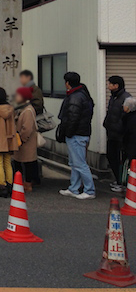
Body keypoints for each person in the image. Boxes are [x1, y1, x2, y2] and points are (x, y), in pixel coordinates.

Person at [58, 72, 96, 200]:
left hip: (76, 134)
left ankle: (89, 190)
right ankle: (74, 188)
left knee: (79, 163)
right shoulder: (83, 94)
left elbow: (72, 118)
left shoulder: (75, 97)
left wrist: (67, 133)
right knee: (75, 163)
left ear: (68, 83)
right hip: (81, 133)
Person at [103, 75, 131, 193]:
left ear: (116, 85)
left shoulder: (126, 98)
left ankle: (122, 183)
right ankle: (118, 180)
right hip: (111, 133)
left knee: (120, 160)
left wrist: (120, 129)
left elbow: (126, 118)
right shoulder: (113, 97)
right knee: (111, 156)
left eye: (110, 84)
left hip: (121, 136)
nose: (108, 86)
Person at [13, 87, 39, 193]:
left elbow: (27, 128)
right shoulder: (23, 108)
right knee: (22, 162)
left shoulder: (28, 110)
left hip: (25, 142)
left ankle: (27, 184)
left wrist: (21, 139)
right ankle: (23, 183)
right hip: (23, 141)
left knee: (27, 163)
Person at [122, 97, 136, 166]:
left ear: (128, 108)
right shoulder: (129, 117)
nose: (123, 106)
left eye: (125, 105)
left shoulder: (130, 119)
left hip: (131, 147)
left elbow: (128, 133)